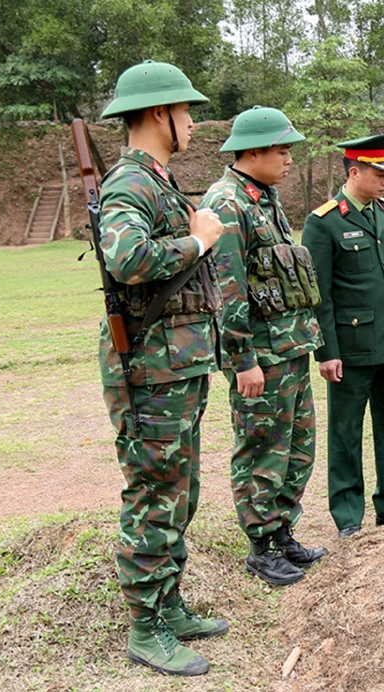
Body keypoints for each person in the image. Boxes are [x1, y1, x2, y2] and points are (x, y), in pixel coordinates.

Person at [98, 60, 228, 676]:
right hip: (151, 369)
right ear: (160, 115)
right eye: (187, 112)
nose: (194, 123)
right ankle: (145, 627)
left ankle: (168, 604)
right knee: (155, 492)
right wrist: (198, 239)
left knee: (179, 489)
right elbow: (126, 258)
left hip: (176, 366)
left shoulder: (159, 181)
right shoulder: (132, 182)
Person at [201, 106, 329, 587]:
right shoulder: (228, 203)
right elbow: (227, 289)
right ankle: (260, 546)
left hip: (290, 348)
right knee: (261, 449)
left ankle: (281, 533)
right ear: (251, 151)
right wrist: (243, 361)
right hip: (261, 358)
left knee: (296, 448)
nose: (289, 159)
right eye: (282, 150)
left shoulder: (264, 197)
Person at [301, 130, 384, 539]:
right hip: (351, 350)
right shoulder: (323, 223)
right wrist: (326, 352)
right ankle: (348, 515)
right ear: (355, 172)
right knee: (345, 434)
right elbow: (318, 295)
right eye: (379, 172)